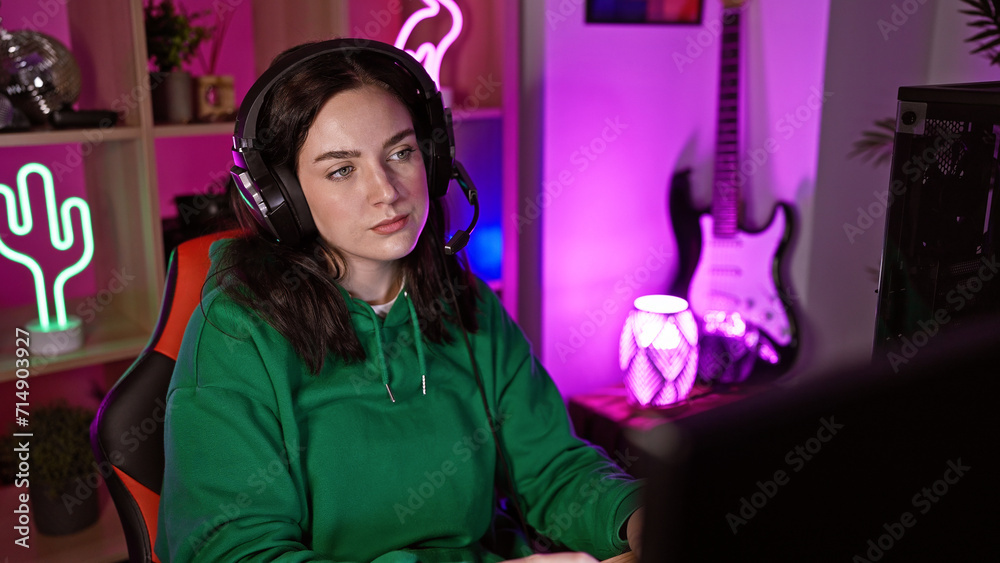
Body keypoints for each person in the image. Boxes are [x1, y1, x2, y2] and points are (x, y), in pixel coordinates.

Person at [155, 39, 644, 563]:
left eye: (401, 152)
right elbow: (236, 551)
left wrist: (639, 519)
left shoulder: (466, 304)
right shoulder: (237, 332)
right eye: (342, 169)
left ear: (432, 160)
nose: (385, 190)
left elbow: (552, 467)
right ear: (283, 197)